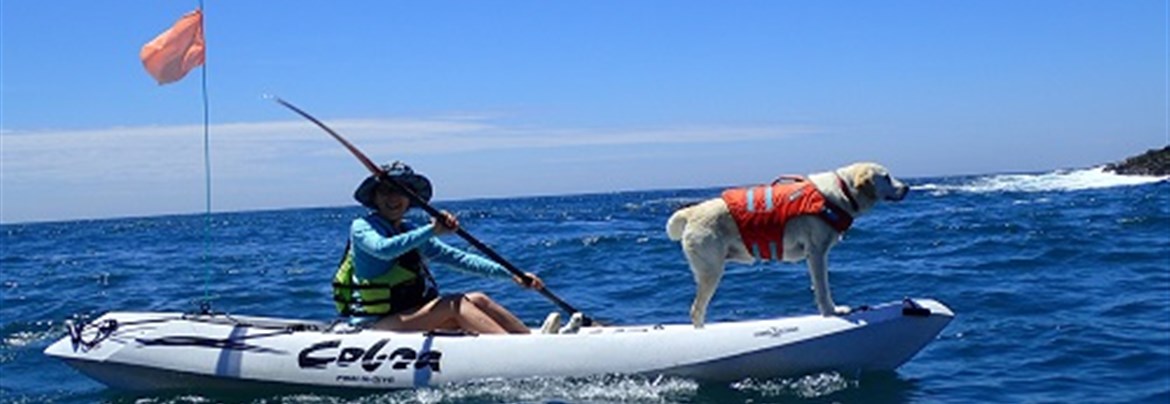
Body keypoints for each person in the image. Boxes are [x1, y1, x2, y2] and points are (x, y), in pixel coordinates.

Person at [332, 161, 545, 334]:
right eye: (386, 191)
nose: (393, 198)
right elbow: (384, 249)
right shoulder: (362, 227)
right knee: (453, 304)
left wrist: (512, 274)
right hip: (375, 325)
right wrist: (432, 230)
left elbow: (458, 258)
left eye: (400, 191)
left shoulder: (410, 229)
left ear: (409, 199)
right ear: (375, 198)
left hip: (411, 314)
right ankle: (511, 351)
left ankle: (530, 342)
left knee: (479, 299)